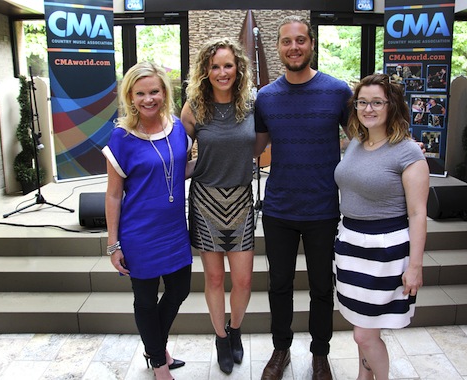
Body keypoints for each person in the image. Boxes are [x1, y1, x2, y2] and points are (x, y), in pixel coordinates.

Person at [254, 15, 353, 380]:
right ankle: (281, 350)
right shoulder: (266, 97)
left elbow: (363, 136)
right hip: (279, 208)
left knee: (321, 287)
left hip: (323, 208)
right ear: (278, 47)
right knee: (278, 285)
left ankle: (320, 354)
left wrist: (403, 146)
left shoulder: (338, 91)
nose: (293, 47)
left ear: (312, 44)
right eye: (286, 41)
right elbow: (255, 148)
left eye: (300, 40)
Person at [333, 73, 429, 380]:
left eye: (377, 102)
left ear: (392, 106)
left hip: (385, 254)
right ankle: (365, 376)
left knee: (365, 335)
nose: (368, 108)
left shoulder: (407, 152)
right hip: (350, 247)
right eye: (362, 102)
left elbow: (417, 213)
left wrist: (415, 266)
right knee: (361, 327)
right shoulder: (356, 143)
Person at [103, 61, 193, 380]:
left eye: (154, 91)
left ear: (164, 92)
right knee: (144, 298)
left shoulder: (178, 129)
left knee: (180, 288)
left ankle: (156, 346)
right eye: (140, 93)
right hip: (139, 234)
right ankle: (158, 361)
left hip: (173, 230)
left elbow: (179, 171)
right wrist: (113, 244)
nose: (148, 99)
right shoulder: (121, 138)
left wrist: (220, 162)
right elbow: (113, 195)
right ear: (130, 96)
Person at [181, 38, 256, 374]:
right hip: (205, 200)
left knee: (242, 281)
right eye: (215, 66)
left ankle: (235, 329)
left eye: (228, 65)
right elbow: (177, 160)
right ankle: (220, 337)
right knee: (213, 278)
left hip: (240, 200)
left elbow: (260, 147)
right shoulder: (194, 108)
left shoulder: (252, 106)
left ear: (238, 68)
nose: (222, 72)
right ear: (205, 71)